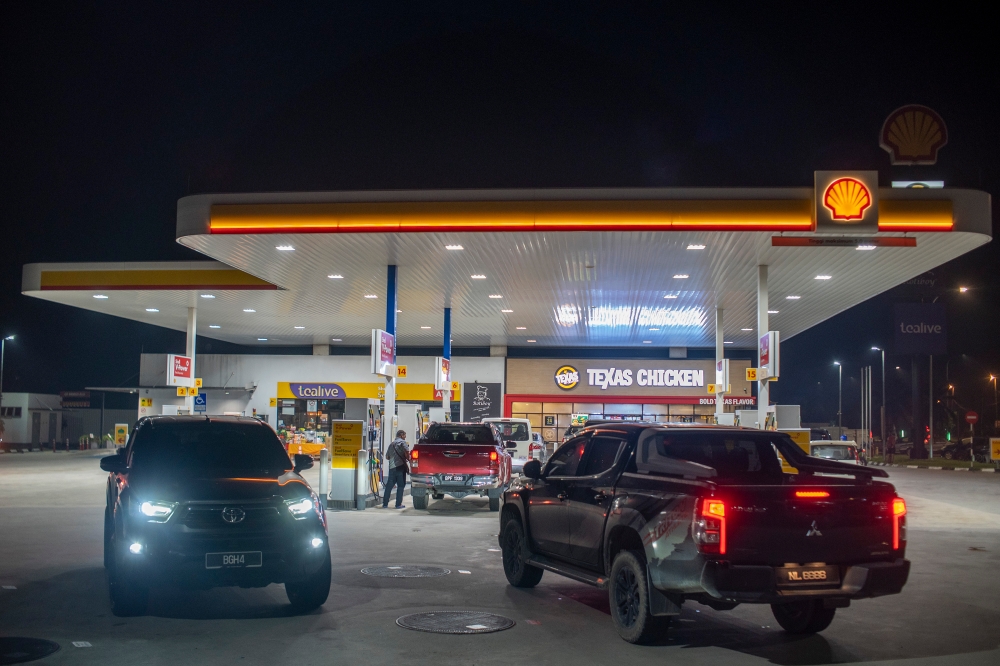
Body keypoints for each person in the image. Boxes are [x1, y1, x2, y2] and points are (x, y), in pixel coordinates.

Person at [382, 430, 410, 509]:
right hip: (400, 467)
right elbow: (407, 452)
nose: (405, 437)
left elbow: (387, 457)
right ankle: (398, 504)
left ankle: (385, 504)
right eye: (404, 435)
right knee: (401, 486)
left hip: (392, 468)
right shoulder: (403, 443)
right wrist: (408, 459)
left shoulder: (391, 444)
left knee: (389, 486)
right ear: (401, 435)